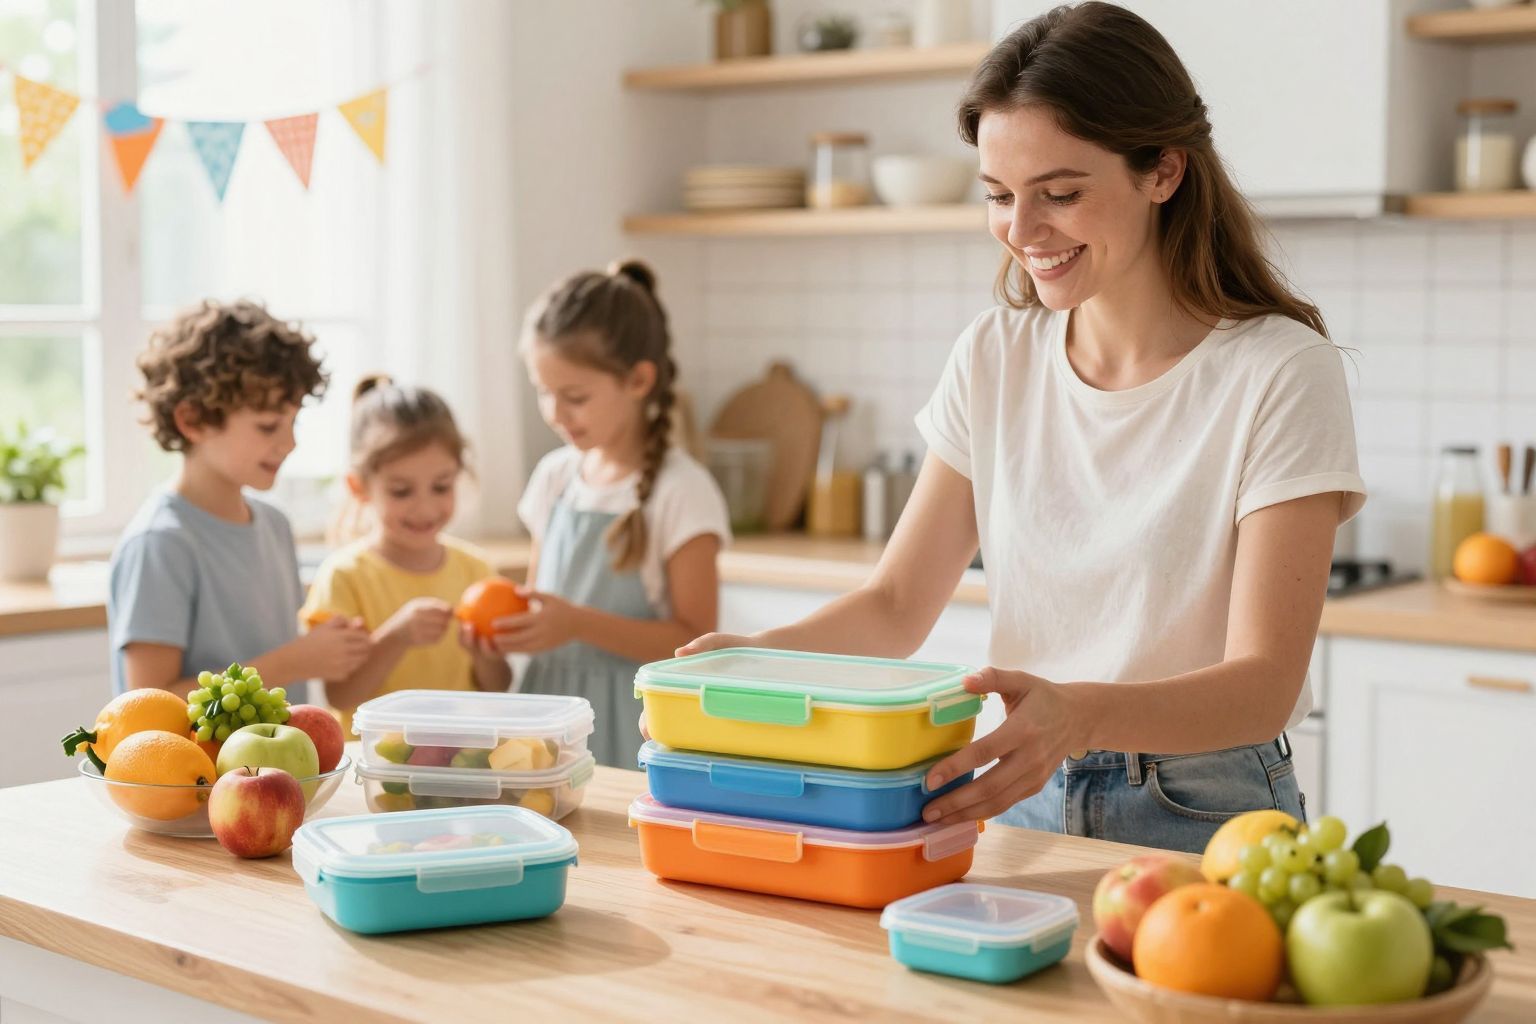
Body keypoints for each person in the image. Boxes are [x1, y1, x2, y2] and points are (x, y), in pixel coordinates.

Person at [678, 2, 1366, 853]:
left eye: (1061, 194)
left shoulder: (1280, 371)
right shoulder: (994, 355)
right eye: (999, 196)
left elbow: (1263, 687)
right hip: (1021, 788)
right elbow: (896, 606)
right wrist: (754, 658)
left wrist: (1078, 716)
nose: (1022, 231)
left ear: (1164, 172)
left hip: (1205, 804)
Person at [487, 260, 729, 768]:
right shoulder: (554, 478)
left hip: (631, 726)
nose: (555, 413)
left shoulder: (682, 491)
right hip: (547, 718)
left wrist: (578, 624)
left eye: (574, 397)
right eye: (543, 392)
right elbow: (538, 605)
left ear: (638, 380)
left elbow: (696, 644)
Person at [109, 300, 370, 701]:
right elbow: (151, 701)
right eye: (268, 426)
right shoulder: (161, 543)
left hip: (279, 745)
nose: (290, 442)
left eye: (293, 421)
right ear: (192, 420)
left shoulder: (275, 525)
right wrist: (295, 661)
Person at [301, 376, 511, 736]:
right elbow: (341, 695)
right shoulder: (344, 576)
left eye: (441, 486)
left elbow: (499, 687)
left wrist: (483, 655)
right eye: (401, 491)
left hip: (459, 753)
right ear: (359, 487)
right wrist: (395, 638)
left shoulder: (476, 569)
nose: (425, 507)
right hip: (374, 758)